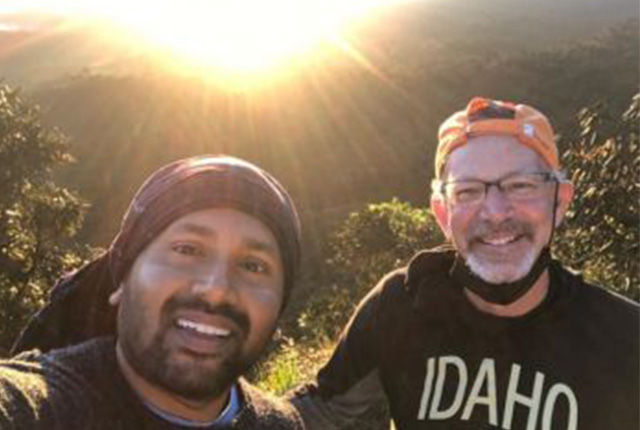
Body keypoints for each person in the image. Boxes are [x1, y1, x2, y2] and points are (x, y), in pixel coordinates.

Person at [291, 97, 639, 430]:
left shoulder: (624, 338)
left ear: (559, 202)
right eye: (468, 191)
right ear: (443, 213)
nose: (496, 212)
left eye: (521, 185)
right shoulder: (401, 305)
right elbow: (323, 410)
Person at [0, 155, 305, 430]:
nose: (216, 290)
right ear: (122, 279)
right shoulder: (39, 408)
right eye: (187, 250)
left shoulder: (279, 423)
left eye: (253, 266)